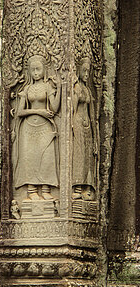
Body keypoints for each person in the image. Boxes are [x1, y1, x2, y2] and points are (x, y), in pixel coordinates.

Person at [12, 55, 61, 200]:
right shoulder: (27, 89)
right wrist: (38, 111)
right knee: (29, 158)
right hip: (28, 128)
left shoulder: (47, 87)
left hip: (45, 127)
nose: (35, 73)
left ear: (44, 70)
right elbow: (20, 112)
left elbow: (55, 107)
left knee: (47, 157)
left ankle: (46, 189)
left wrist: (60, 89)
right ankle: (31, 191)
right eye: (32, 70)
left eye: (38, 69)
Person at [72, 57, 97, 200]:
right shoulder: (77, 87)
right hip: (78, 123)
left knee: (88, 155)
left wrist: (94, 132)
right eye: (84, 71)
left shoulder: (87, 89)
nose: (87, 74)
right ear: (79, 71)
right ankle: (77, 186)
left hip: (87, 124)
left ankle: (87, 186)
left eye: (88, 71)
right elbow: (73, 109)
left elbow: (91, 113)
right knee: (79, 154)